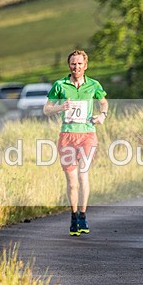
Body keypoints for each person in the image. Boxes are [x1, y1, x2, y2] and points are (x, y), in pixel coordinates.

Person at [43, 49, 109, 236]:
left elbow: (103, 103)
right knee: (72, 182)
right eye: (73, 63)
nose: (76, 67)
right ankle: (73, 216)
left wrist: (102, 115)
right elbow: (46, 109)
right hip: (67, 136)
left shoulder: (93, 85)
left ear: (85, 66)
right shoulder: (60, 85)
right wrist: (60, 107)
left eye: (80, 63)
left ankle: (83, 214)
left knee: (83, 175)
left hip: (87, 135)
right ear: (69, 65)